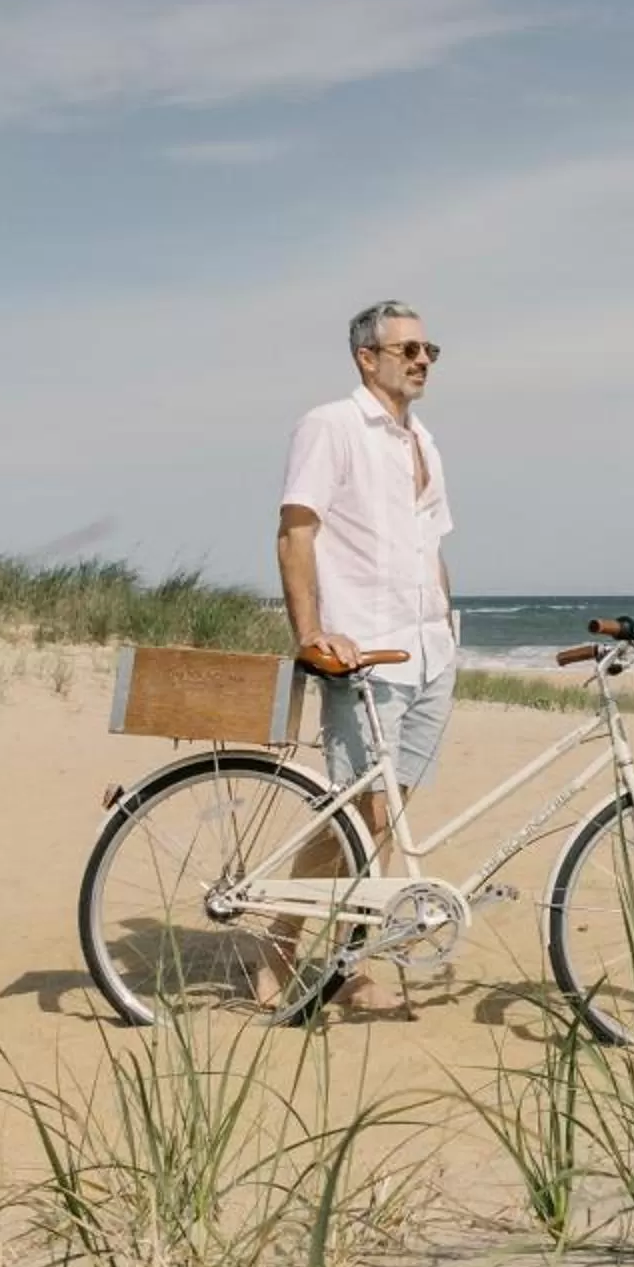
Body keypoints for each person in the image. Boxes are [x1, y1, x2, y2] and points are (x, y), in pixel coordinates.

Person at [274, 298, 457, 1015]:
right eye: (406, 348)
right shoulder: (332, 426)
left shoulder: (424, 442)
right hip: (365, 652)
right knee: (359, 814)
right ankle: (287, 946)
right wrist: (312, 634)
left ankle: (346, 959)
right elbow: (295, 531)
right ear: (366, 357)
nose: (420, 360)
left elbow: (431, 547)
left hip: (429, 652)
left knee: (386, 814)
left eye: (428, 350)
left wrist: (447, 629)